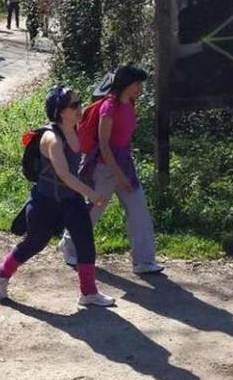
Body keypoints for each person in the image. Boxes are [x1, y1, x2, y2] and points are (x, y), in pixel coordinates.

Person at [0, 86, 115, 307]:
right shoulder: (51, 138)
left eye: (80, 102)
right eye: (74, 105)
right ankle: (2, 272)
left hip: (71, 199)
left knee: (85, 240)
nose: (80, 108)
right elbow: (65, 174)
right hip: (45, 201)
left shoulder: (75, 129)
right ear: (60, 112)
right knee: (35, 243)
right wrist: (92, 194)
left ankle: (88, 293)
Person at [59, 64, 164, 274]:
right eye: (137, 84)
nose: (140, 88)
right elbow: (104, 145)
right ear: (126, 84)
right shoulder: (108, 107)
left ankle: (143, 261)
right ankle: (69, 246)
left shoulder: (129, 104)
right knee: (93, 210)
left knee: (139, 211)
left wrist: (126, 170)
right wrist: (118, 175)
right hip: (103, 168)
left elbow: (124, 138)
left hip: (124, 166)